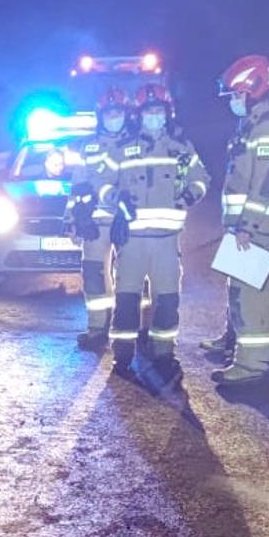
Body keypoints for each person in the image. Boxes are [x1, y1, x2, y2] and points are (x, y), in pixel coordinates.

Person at [105, 82, 210, 383]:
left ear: (167, 113)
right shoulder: (123, 148)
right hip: (133, 242)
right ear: (139, 115)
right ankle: (123, 354)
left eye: (158, 110)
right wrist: (116, 197)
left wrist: (189, 195)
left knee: (167, 300)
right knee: (126, 299)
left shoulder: (180, 147)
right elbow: (104, 181)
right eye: (148, 111)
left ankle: (164, 352)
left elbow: (201, 177)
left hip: (166, 241)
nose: (154, 115)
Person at [204, 54, 269, 387]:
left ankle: (253, 362)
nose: (232, 102)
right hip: (248, 226)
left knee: (248, 293)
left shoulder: (268, 127)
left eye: (234, 95)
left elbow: (266, 182)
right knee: (265, 289)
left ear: (251, 91)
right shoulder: (254, 125)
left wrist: (247, 226)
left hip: (253, 228)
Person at [72, 87, 132, 350]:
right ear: (101, 115)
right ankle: (97, 330)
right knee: (94, 276)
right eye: (109, 113)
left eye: (118, 112)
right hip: (94, 226)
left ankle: (130, 332)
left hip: (127, 222)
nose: (113, 117)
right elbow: (77, 185)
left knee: (130, 277)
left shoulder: (136, 143)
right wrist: (72, 220)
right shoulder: (88, 146)